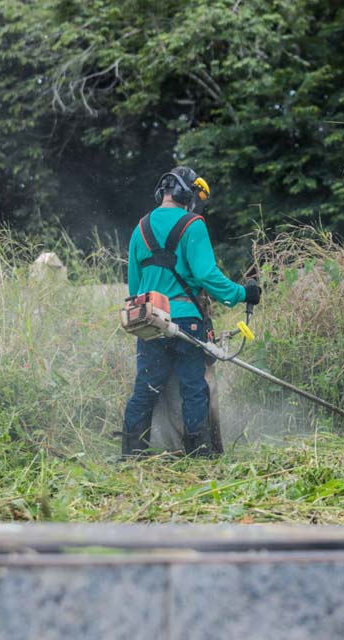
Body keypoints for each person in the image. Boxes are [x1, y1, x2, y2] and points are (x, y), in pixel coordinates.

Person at [123, 166, 260, 458]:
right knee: (194, 388)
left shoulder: (140, 228)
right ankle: (198, 454)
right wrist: (242, 293)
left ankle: (132, 454)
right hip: (186, 322)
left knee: (145, 389)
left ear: (164, 191)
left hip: (149, 321)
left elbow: (135, 287)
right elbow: (207, 275)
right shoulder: (192, 224)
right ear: (186, 192)